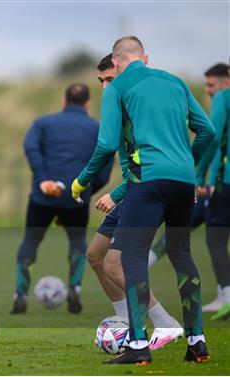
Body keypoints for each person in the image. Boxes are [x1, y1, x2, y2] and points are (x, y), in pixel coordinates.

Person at [72, 36, 214, 364]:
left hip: (147, 184)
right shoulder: (175, 83)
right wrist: (188, 167)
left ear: (119, 63)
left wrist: (81, 182)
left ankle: (138, 347)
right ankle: (197, 341)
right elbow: (207, 132)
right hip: (182, 183)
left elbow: (106, 144)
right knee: (182, 256)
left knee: (131, 260)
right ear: (144, 57)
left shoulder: (121, 88)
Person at [86, 54, 183, 351]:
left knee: (116, 265)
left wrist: (114, 194)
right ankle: (124, 319)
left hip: (146, 194)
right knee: (95, 256)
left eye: (110, 80)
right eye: (101, 81)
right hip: (132, 192)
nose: (105, 87)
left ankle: (166, 324)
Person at [11, 83, 111, 315]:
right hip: (76, 198)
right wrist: (85, 189)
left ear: (64, 101)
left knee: (31, 240)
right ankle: (74, 287)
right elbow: (105, 163)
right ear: (87, 103)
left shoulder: (43, 123)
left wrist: (44, 180)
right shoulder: (97, 128)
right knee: (77, 238)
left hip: (42, 196)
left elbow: (31, 148)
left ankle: (21, 293)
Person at [196, 63, 230, 320]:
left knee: (216, 239)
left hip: (224, 182)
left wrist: (198, 174)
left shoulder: (223, 98)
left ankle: (226, 299)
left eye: (210, 85)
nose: (209, 91)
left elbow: (213, 136)